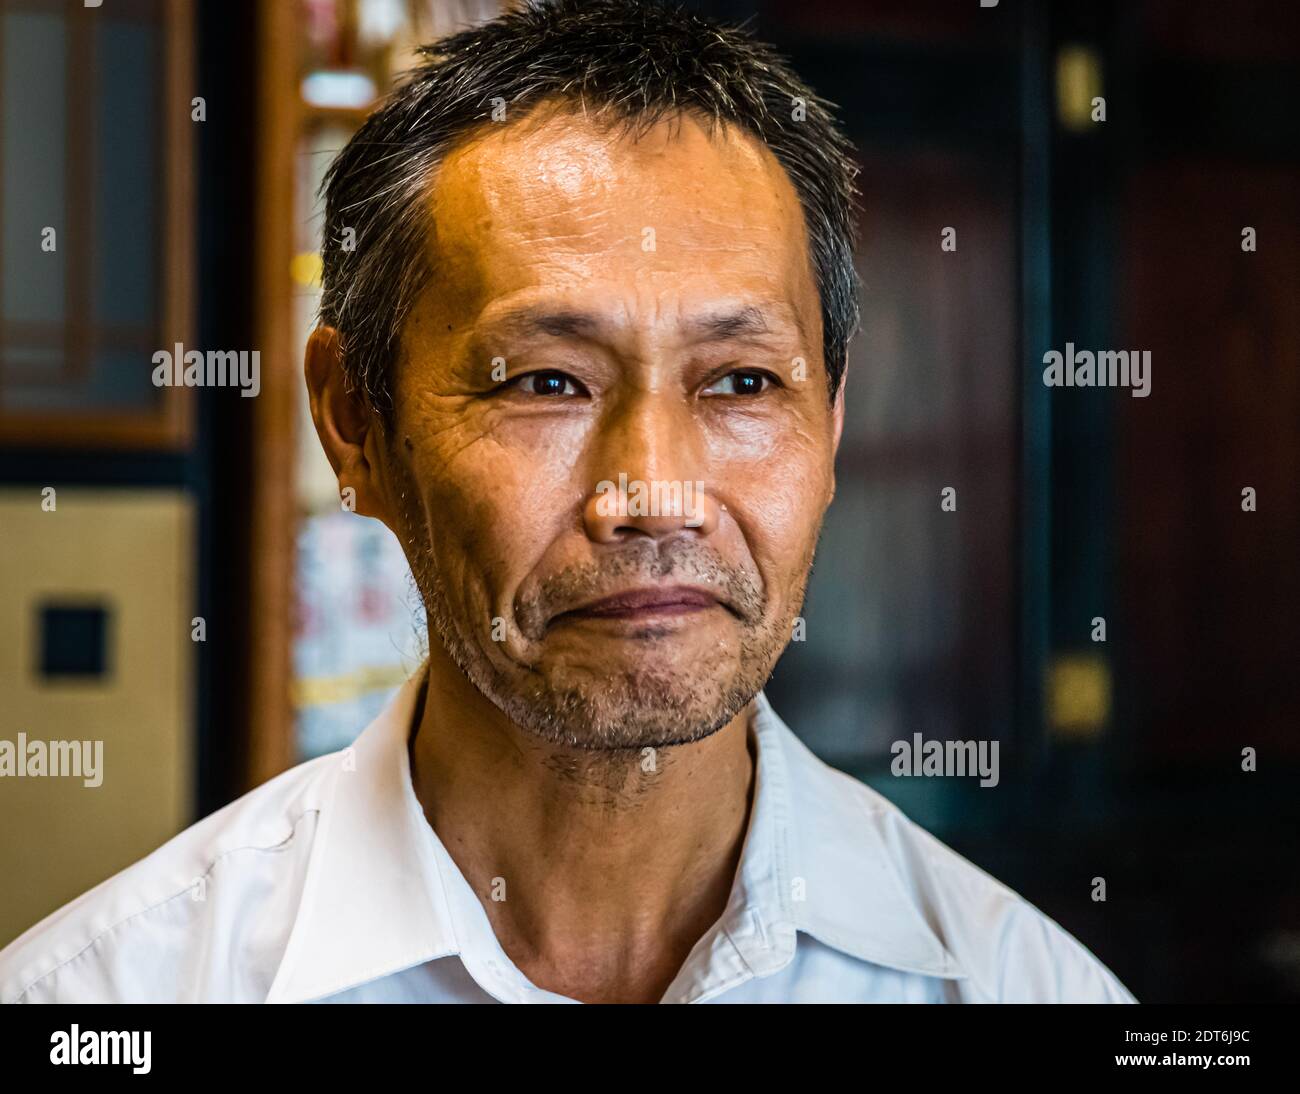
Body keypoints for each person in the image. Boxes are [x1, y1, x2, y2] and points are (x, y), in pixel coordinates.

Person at [0, 0, 1133, 1004]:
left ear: (830, 428)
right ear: (355, 423)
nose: (652, 495)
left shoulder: (1019, 984)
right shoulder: (114, 990)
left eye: (742, 381)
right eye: (547, 381)